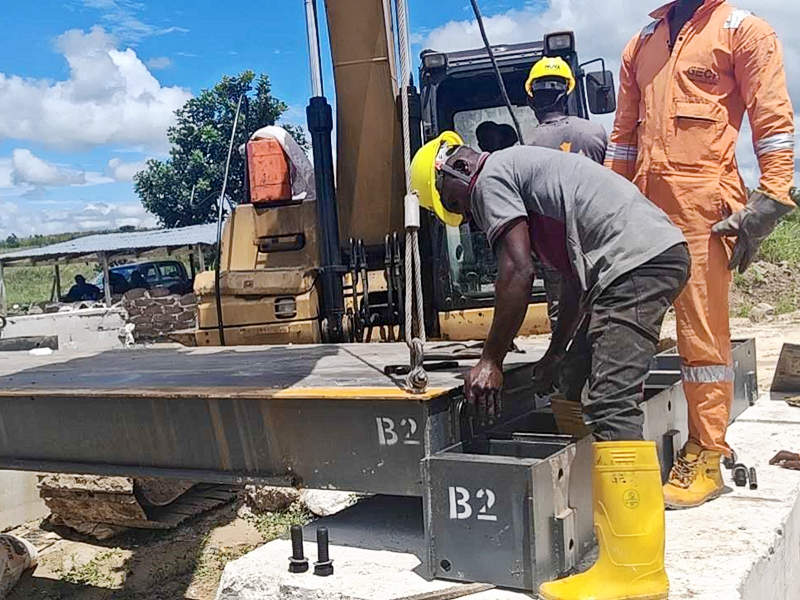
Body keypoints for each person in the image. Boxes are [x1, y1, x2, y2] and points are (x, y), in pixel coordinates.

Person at [411, 131, 690, 600]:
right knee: (576, 377)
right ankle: (598, 517)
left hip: (636, 265)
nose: (470, 219)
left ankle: (635, 571)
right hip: (642, 259)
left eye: (454, 206)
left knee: (610, 404)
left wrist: (490, 360)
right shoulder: (528, 178)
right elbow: (574, 287)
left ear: (452, 174)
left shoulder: (489, 176)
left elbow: (517, 273)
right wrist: (557, 353)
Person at [605, 0, 796, 510]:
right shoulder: (642, 43)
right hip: (641, 208)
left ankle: (708, 452)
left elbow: (772, 120)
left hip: (703, 208)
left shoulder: (743, 31)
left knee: (701, 336)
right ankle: (621, 446)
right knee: (626, 326)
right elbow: (624, 138)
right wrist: (607, 203)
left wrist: (773, 194)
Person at [524, 57, 609, 376]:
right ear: (567, 93)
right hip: (596, 242)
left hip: (556, 248)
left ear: (532, 98)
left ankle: (569, 379)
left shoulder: (529, 144)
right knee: (601, 311)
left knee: (563, 318)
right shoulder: (595, 133)